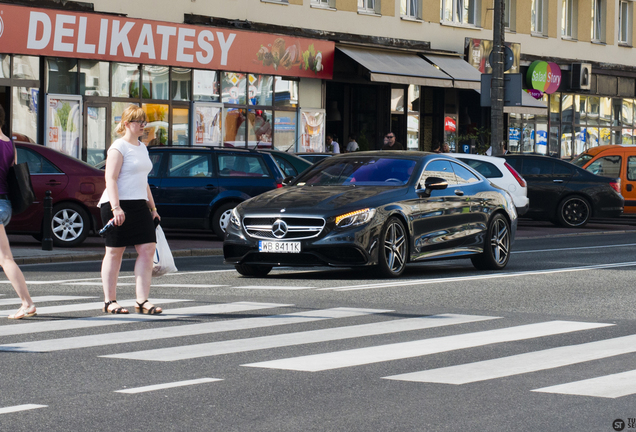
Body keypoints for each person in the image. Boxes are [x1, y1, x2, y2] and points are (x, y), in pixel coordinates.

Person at [99, 105, 162, 315]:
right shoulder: (118, 147)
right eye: (139, 121)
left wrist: (152, 208)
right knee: (115, 252)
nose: (143, 125)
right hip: (116, 204)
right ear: (126, 123)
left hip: (139, 204)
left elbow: (144, 181)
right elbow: (110, 179)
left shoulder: (142, 147)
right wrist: (116, 207)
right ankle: (110, 301)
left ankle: (142, 300)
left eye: (144, 121)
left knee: (148, 249)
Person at [0, 106, 36, 320]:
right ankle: (26, 302)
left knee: (5, 259)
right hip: (5, 205)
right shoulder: (9, 143)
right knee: (4, 257)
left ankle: (27, 302)